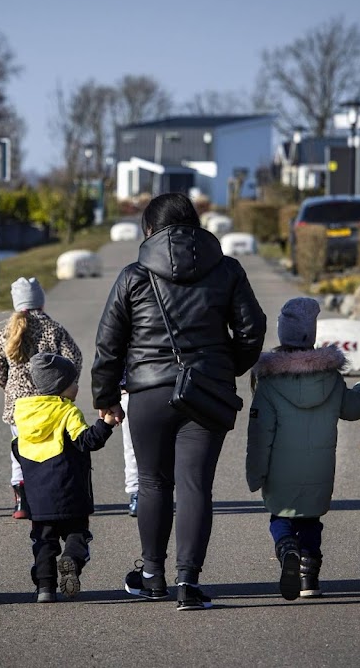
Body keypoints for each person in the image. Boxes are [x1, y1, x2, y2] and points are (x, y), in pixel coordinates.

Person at [92, 192, 266, 610]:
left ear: (149, 230)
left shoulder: (133, 275)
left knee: (153, 482)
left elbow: (108, 343)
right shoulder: (227, 270)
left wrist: (105, 396)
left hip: (148, 393)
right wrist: (226, 369)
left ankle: (152, 575)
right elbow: (252, 330)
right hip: (205, 394)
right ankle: (188, 583)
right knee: (194, 485)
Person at [246, 297, 360, 600]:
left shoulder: (269, 381)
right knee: (311, 520)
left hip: (280, 470)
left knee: (281, 517)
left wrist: (256, 474)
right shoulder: (329, 376)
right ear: (311, 334)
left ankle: (287, 547)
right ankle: (309, 576)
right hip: (319, 468)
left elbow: (260, 434)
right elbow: (352, 408)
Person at [12, 353, 115, 602]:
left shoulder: (25, 414)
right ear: (60, 386)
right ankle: (71, 559)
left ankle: (45, 588)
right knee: (77, 533)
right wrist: (107, 424)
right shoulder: (68, 412)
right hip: (69, 491)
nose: (77, 387)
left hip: (38, 497)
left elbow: (17, 447)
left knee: (43, 541)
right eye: (73, 382)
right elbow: (87, 441)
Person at [0, 277, 83, 519]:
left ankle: (21, 502)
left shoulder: (7, 331)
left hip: (18, 408)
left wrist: (9, 386)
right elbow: (75, 359)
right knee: (51, 451)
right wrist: (64, 385)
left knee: (19, 452)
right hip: (51, 404)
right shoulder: (54, 329)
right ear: (41, 301)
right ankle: (49, 497)